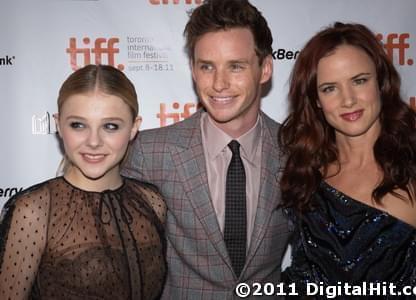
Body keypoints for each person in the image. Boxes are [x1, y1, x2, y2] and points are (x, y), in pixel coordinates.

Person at [122, 0, 289, 298]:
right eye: (207, 67)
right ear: (193, 70)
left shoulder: (296, 151)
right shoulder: (150, 152)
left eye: (235, 66)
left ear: (265, 69)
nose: (219, 84)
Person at [279, 22, 416, 299]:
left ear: (381, 83)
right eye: (330, 88)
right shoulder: (304, 173)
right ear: (316, 100)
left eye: (359, 81)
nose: (348, 100)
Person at [0, 64, 166, 300]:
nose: (94, 141)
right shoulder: (34, 211)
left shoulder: (152, 202)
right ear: (58, 125)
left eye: (110, 126)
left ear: (133, 128)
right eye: (78, 125)